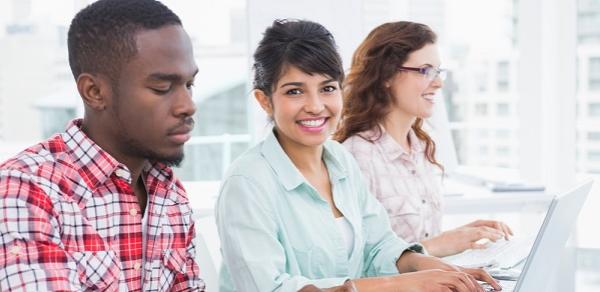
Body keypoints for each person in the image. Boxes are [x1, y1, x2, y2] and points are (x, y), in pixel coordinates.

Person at [216, 19, 500, 292]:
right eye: (295, 91)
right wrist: (402, 284)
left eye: (327, 88)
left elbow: (379, 245)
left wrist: (434, 269)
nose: (316, 106)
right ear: (264, 100)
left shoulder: (339, 160)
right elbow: (272, 288)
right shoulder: (248, 183)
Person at [0, 0, 204, 291]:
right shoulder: (26, 191)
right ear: (94, 92)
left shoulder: (170, 193)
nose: (188, 106)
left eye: (189, 85)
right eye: (162, 88)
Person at [334, 21, 513, 258]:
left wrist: (465, 235)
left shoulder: (422, 149)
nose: (438, 82)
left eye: (438, 71)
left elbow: (421, 242)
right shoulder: (356, 156)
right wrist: (445, 243)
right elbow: (359, 263)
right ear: (386, 75)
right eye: (426, 70)